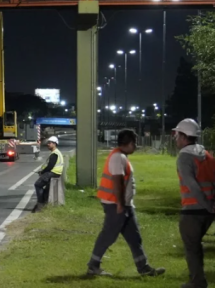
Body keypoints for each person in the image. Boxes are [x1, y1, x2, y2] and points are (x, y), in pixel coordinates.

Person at [86, 129, 165, 277]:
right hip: (115, 205)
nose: (136, 146)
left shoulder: (121, 156)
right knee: (108, 236)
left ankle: (144, 268)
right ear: (129, 143)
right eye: (135, 143)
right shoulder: (118, 157)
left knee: (135, 238)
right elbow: (118, 182)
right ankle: (93, 266)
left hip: (124, 205)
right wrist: (121, 205)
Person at [174, 118, 215, 288]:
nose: (175, 138)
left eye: (177, 135)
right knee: (195, 246)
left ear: (184, 136)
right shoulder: (206, 155)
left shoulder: (184, 157)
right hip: (208, 212)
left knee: (192, 248)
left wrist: (206, 205)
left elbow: (192, 186)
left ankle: (197, 282)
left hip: (193, 210)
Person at [32, 136, 64, 212]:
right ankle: (44, 201)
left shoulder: (55, 153)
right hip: (55, 172)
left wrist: (42, 172)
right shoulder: (56, 152)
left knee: (37, 184)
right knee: (46, 188)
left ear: (54, 144)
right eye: (48, 143)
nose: (48, 144)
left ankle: (40, 203)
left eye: (50, 143)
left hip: (53, 173)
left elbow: (50, 166)